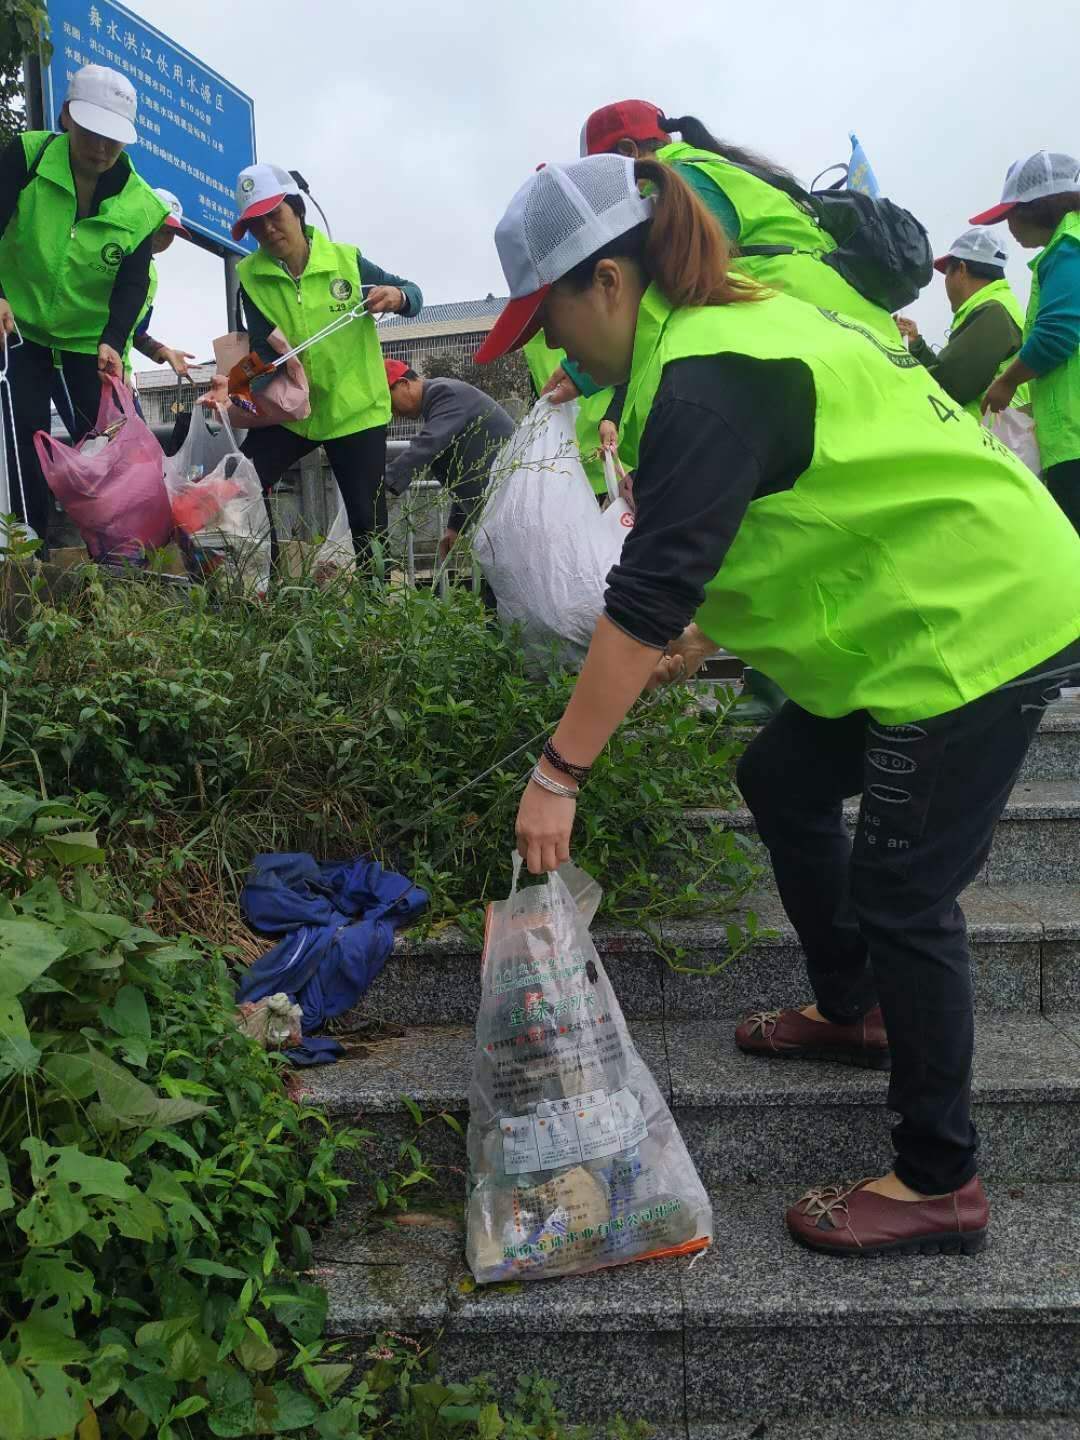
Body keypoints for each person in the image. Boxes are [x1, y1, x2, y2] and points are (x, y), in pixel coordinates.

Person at [479, 154, 1080, 1256]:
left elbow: (648, 588)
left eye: (552, 323)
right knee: (782, 775)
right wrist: (696, 636)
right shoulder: (726, 324)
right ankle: (853, 1008)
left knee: (905, 889)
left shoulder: (707, 373)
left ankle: (941, 1178)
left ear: (608, 281)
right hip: (928, 604)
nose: (552, 353)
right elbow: (806, 495)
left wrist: (558, 771)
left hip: (978, 624)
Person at [0, 63, 167, 543]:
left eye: (113, 139)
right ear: (67, 116)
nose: (100, 148)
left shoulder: (140, 205)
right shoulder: (27, 157)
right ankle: (27, 557)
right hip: (19, 330)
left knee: (106, 454)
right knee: (21, 446)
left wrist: (113, 339)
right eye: (91, 132)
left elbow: (133, 283)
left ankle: (118, 559)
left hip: (85, 344)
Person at [231, 163, 422, 556]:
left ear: (297, 210)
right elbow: (264, 352)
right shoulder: (250, 276)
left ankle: (376, 609)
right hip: (295, 414)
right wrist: (235, 384)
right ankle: (262, 588)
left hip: (356, 410)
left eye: (274, 215)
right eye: (255, 224)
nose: (267, 229)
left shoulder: (346, 262)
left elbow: (413, 293)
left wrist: (398, 297)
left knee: (367, 524)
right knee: (242, 483)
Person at [974, 151, 1080, 533]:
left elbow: (1057, 334)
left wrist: (1007, 382)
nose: (1010, 227)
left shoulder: (1068, 248)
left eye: (1011, 215)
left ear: (1039, 208)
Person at [384, 359, 514, 559]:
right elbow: (468, 473)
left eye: (390, 403)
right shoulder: (441, 403)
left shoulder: (444, 393)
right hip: (503, 507)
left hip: (513, 505)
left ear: (404, 383)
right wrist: (455, 527)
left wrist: (383, 481)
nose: (393, 413)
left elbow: (429, 443)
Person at [896, 228, 1029, 417]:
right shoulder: (996, 306)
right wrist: (916, 345)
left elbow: (950, 386)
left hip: (992, 437)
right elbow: (952, 372)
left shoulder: (993, 311)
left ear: (961, 269)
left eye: (947, 273)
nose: (946, 283)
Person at [126, 189, 196, 379]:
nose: (163, 236)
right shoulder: (117, 252)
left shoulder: (151, 275)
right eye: (160, 225)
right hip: (81, 357)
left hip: (117, 366)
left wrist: (164, 351)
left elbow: (132, 330)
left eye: (170, 232)